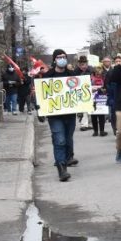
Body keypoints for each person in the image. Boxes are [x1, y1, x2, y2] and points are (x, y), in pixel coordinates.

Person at [42, 49, 80, 181]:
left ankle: (68, 157)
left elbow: (79, 92)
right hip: (55, 115)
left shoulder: (72, 75)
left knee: (68, 139)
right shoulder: (48, 76)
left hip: (69, 113)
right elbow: (43, 94)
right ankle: (62, 168)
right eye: (59, 57)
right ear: (54, 60)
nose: (62, 59)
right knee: (60, 140)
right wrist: (40, 109)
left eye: (64, 56)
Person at [89, 64, 108, 136]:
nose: (98, 74)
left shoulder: (104, 79)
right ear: (94, 72)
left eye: (99, 73)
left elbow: (106, 87)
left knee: (101, 115)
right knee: (93, 115)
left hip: (101, 98)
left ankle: (102, 131)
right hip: (92, 98)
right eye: (97, 73)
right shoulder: (91, 79)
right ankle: (95, 131)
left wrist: (104, 90)